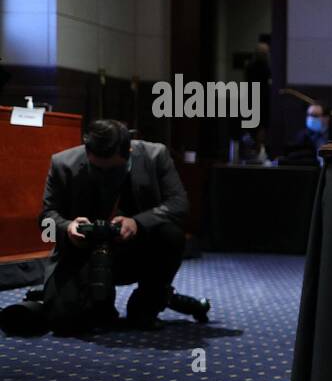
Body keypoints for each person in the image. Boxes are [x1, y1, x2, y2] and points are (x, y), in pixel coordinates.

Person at [36, 119, 207, 333]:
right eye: (97, 169)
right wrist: (68, 228)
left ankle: (146, 305)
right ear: (86, 151)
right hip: (83, 252)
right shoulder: (63, 163)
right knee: (65, 323)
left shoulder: (155, 155)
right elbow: (46, 219)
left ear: (129, 150)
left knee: (171, 235)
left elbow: (178, 205)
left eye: (113, 170)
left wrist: (138, 223)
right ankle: (104, 304)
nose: (105, 177)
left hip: (136, 251)